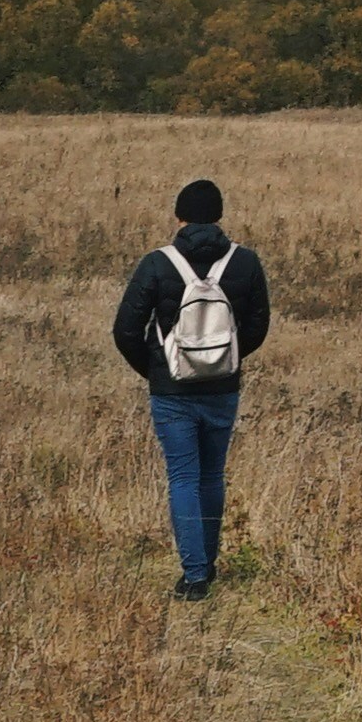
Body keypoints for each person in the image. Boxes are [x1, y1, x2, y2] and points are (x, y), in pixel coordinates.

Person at [111, 176, 273, 598]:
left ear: (178, 216)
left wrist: (158, 369)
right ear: (220, 216)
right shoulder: (246, 262)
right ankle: (211, 563)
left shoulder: (157, 263)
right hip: (223, 388)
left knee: (183, 477)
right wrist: (225, 362)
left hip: (172, 392)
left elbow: (125, 330)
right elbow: (257, 327)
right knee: (211, 476)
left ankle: (195, 576)